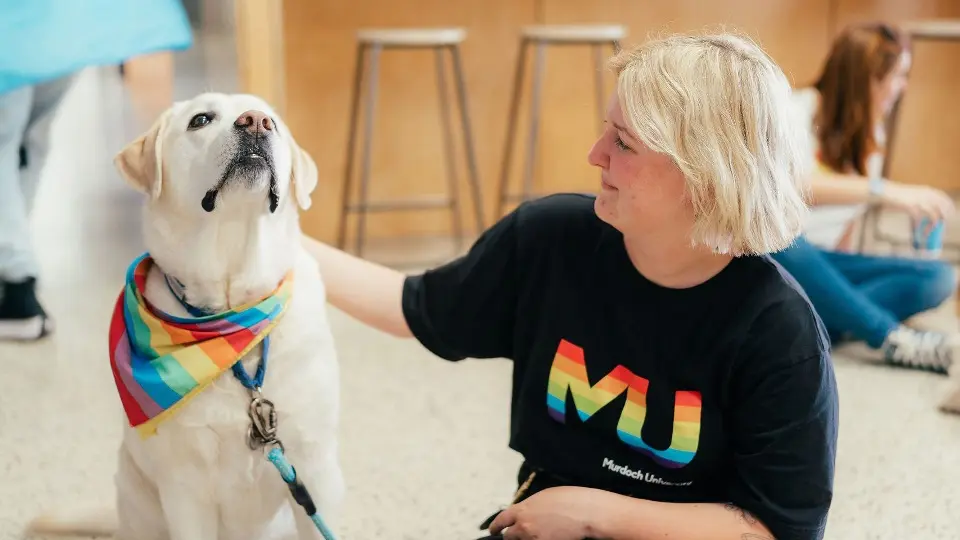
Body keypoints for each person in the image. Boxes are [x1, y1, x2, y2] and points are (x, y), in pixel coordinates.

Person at [306, 31, 838, 540]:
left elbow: (775, 529)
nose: (595, 154)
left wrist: (593, 513)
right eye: (607, 130)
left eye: (623, 143)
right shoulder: (550, 240)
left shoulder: (779, 333)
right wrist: (280, 244)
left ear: (705, 177)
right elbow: (411, 307)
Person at [772, 22, 958, 374]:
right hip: (783, 259)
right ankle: (887, 335)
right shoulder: (791, 111)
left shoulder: (870, 135)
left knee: (938, 278)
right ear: (868, 79)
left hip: (824, 266)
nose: (902, 88)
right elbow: (783, 190)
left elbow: (846, 227)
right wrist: (887, 191)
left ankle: (811, 325)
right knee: (783, 240)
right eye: (898, 76)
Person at [0, 0, 192, 340]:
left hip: (16, 26)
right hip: (64, 23)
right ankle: (14, 274)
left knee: (10, 143)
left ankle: (16, 289)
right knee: (28, 142)